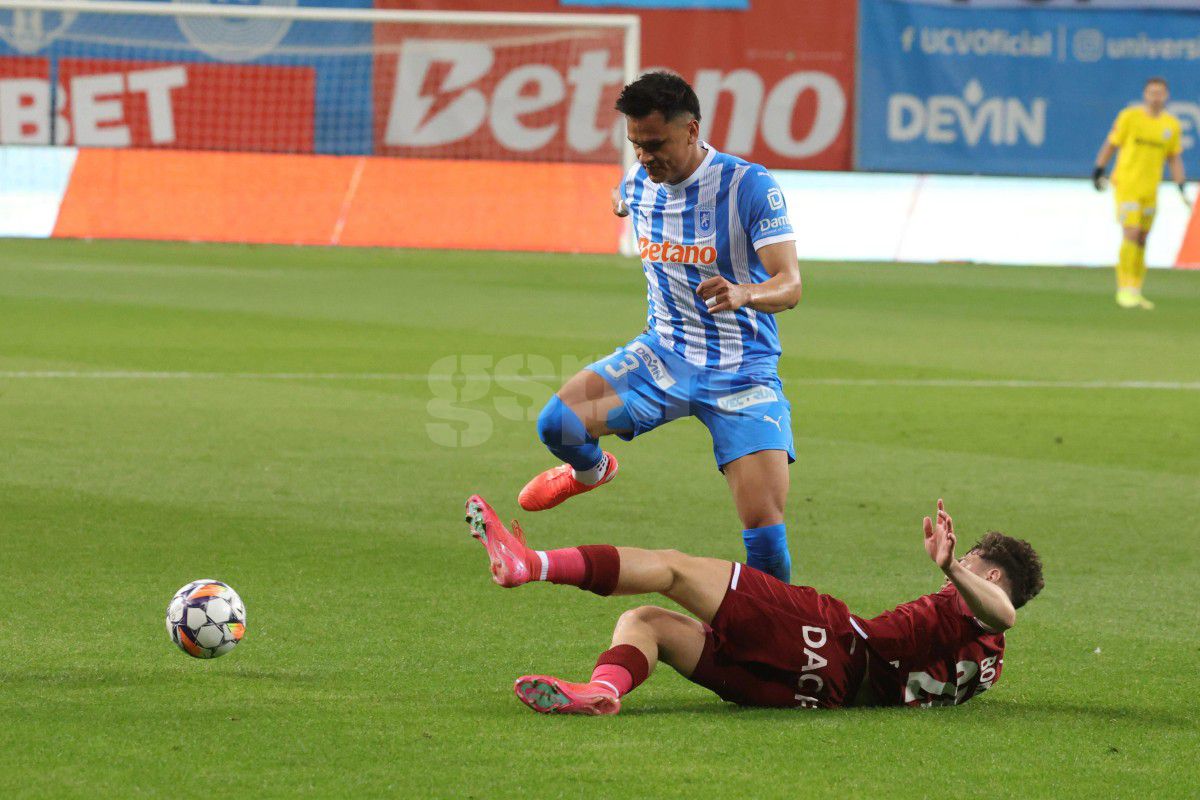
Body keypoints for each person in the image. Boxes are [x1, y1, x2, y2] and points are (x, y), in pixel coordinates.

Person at [518, 71, 803, 582]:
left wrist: (744, 294)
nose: (645, 157)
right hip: (663, 356)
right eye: (636, 146)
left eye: (655, 144)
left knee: (764, 530)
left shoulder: (749, 186)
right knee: (555, 425)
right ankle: (592, 471)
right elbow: (624, 195)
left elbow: (790, 285)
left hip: (741, 373)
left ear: (692, 131)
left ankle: (778, 638)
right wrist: (620, 196)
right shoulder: (638, 180)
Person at [464, 494, 1043, 713]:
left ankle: (530, 564)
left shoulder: (983, 613)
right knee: (647, 624)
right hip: (821, 695)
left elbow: (1002, 614)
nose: (957, 565)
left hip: (830, 639)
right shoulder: (988, 669)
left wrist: (948, 569)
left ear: (990, 573)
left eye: (968, 560)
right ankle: (602, 692)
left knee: (672, 569)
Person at [1093, 77, 1189, 310]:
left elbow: (1173, 157)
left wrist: (1180, 185)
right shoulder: (1130, 117)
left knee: (1143, 238)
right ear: (1145, 95)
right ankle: (1124, 288)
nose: (1155, 97)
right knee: (1131, 233)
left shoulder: (1171, 125)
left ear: (1166, 96)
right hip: (1127, 185)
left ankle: (1136, 289)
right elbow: (1112, 143)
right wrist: (1099, 170)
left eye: (1160, 93)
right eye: (1151, 93)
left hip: (1150, 189)